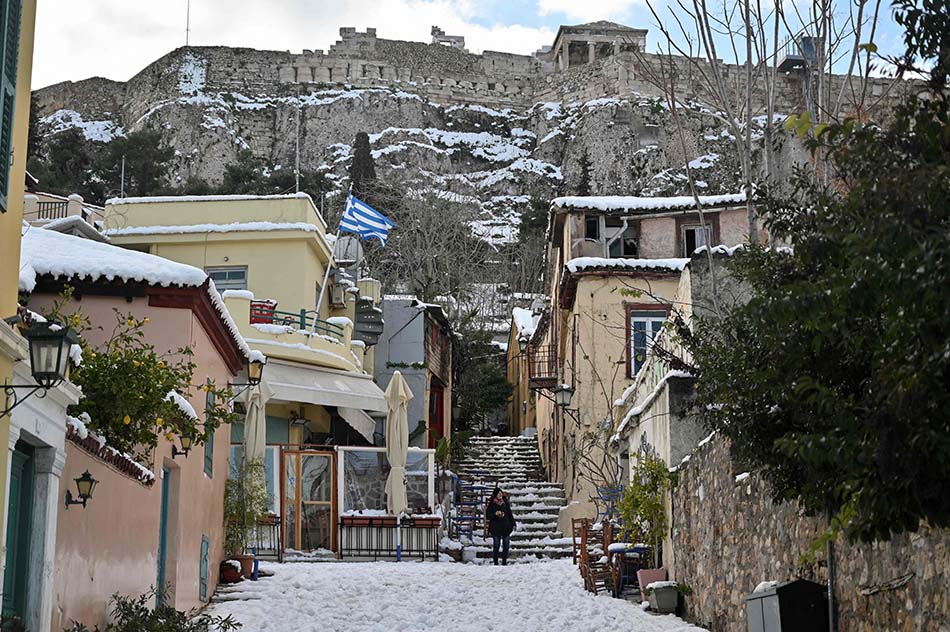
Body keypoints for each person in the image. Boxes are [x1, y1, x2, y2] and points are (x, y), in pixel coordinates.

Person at [484, 487, 515, 565]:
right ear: (495, 495)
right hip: (495, 527)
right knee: (496, 545)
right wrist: (495, 514)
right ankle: (496, 562)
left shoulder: (505, 503)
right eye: (499, 494)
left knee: (506, 545)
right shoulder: (492, 504)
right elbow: (488, 515)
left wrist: (513, 523)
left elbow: (509, 513)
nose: (500, 495)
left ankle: (504, 561)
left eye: (501, 493)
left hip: (506, 527)